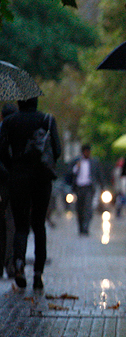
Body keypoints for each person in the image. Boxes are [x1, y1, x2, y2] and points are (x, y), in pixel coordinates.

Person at [0, 98, 61, 289]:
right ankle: (38, 273)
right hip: (41, 178)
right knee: (39, 224)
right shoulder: (47, 120)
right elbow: (57, 150)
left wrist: (14, 167)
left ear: (19, 102)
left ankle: (18, 264)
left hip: (18, 178)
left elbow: (1, 152)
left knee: (21, 226)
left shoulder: (9, 122)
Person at [68, 144, 104, 236]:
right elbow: (71, 173)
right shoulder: (77, 161)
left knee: (88, 208)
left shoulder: (94, 162)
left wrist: (102, 186)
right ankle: (80, 227)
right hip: (79, 188)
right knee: (79, 208)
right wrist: (77, 167)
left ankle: (86, 227)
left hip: (89, 187)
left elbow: (99, 174)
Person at [0, 103, 17, 278]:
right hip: (11, 183)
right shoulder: (16, 134)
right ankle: (10, 262)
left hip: (6, 183)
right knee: (12, 225)